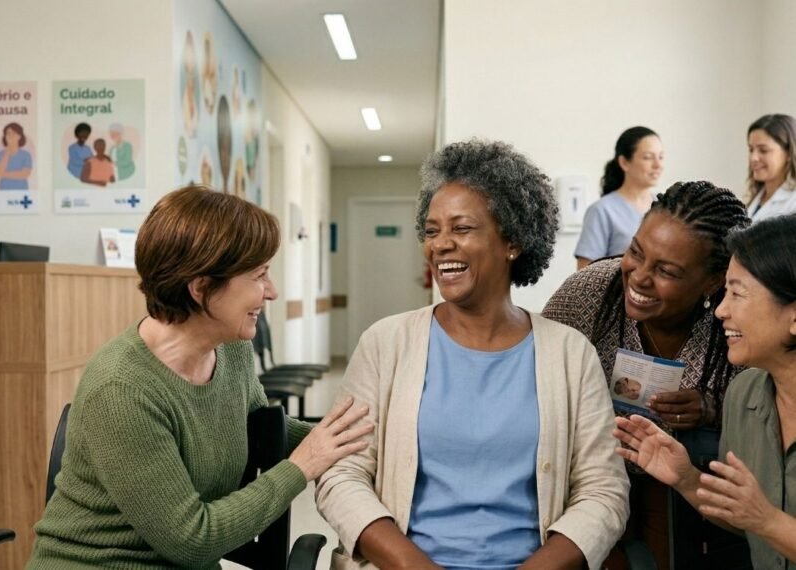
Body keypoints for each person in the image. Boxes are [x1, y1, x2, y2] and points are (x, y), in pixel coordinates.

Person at [316, 140, 629, 570]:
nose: (440, 245)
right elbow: (340, 475)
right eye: (431, 231)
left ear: (512, 242)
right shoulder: (385, 343)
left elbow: (604, 492)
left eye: (461, 229)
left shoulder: (570, 354)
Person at [27, 185, 372, 568]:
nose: (271, 292)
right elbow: (192, 540)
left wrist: (359, 439)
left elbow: (261, 427)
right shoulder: (122, 390)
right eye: (259, 276)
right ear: (201, 288)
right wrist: (302, 466)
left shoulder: (231, 349)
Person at [543, 181, 752, 569]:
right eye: (636, 251)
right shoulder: (590, 293)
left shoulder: (736, 319)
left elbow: (770, 408)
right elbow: (534, 376)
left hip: (695, 507)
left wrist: (712, 408)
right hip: (587, 488)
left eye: (667, 271)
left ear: (712, 281)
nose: (639, 276)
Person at [614, 214, 796, 568]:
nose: (722, 311)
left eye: (738, 294)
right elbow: (745, 521)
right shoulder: (745, 395)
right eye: (724, 292)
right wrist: (686, 479)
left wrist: (767, 520)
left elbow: (762, 521)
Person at [574, 126, 664, 269]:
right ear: (624, 162)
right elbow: (584, 274)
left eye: (660, 157)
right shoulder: (601, 211)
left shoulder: (665, 207)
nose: (658, 165)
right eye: (648, 157)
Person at [746, 114, 796, 220]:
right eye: (751, 150)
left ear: (788, 154)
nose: (753, 158)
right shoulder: (756, 198)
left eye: (763, 150)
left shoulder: (793, 201)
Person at [0, 122, 32, 190]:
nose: (10, 136)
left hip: (21, 191)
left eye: (14, 133)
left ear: (19, 136)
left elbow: (25, 174)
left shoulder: (26, 155)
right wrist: (8, 151)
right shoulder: (0, 154)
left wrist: (4, 174)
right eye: (8, 133)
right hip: (4, 190)